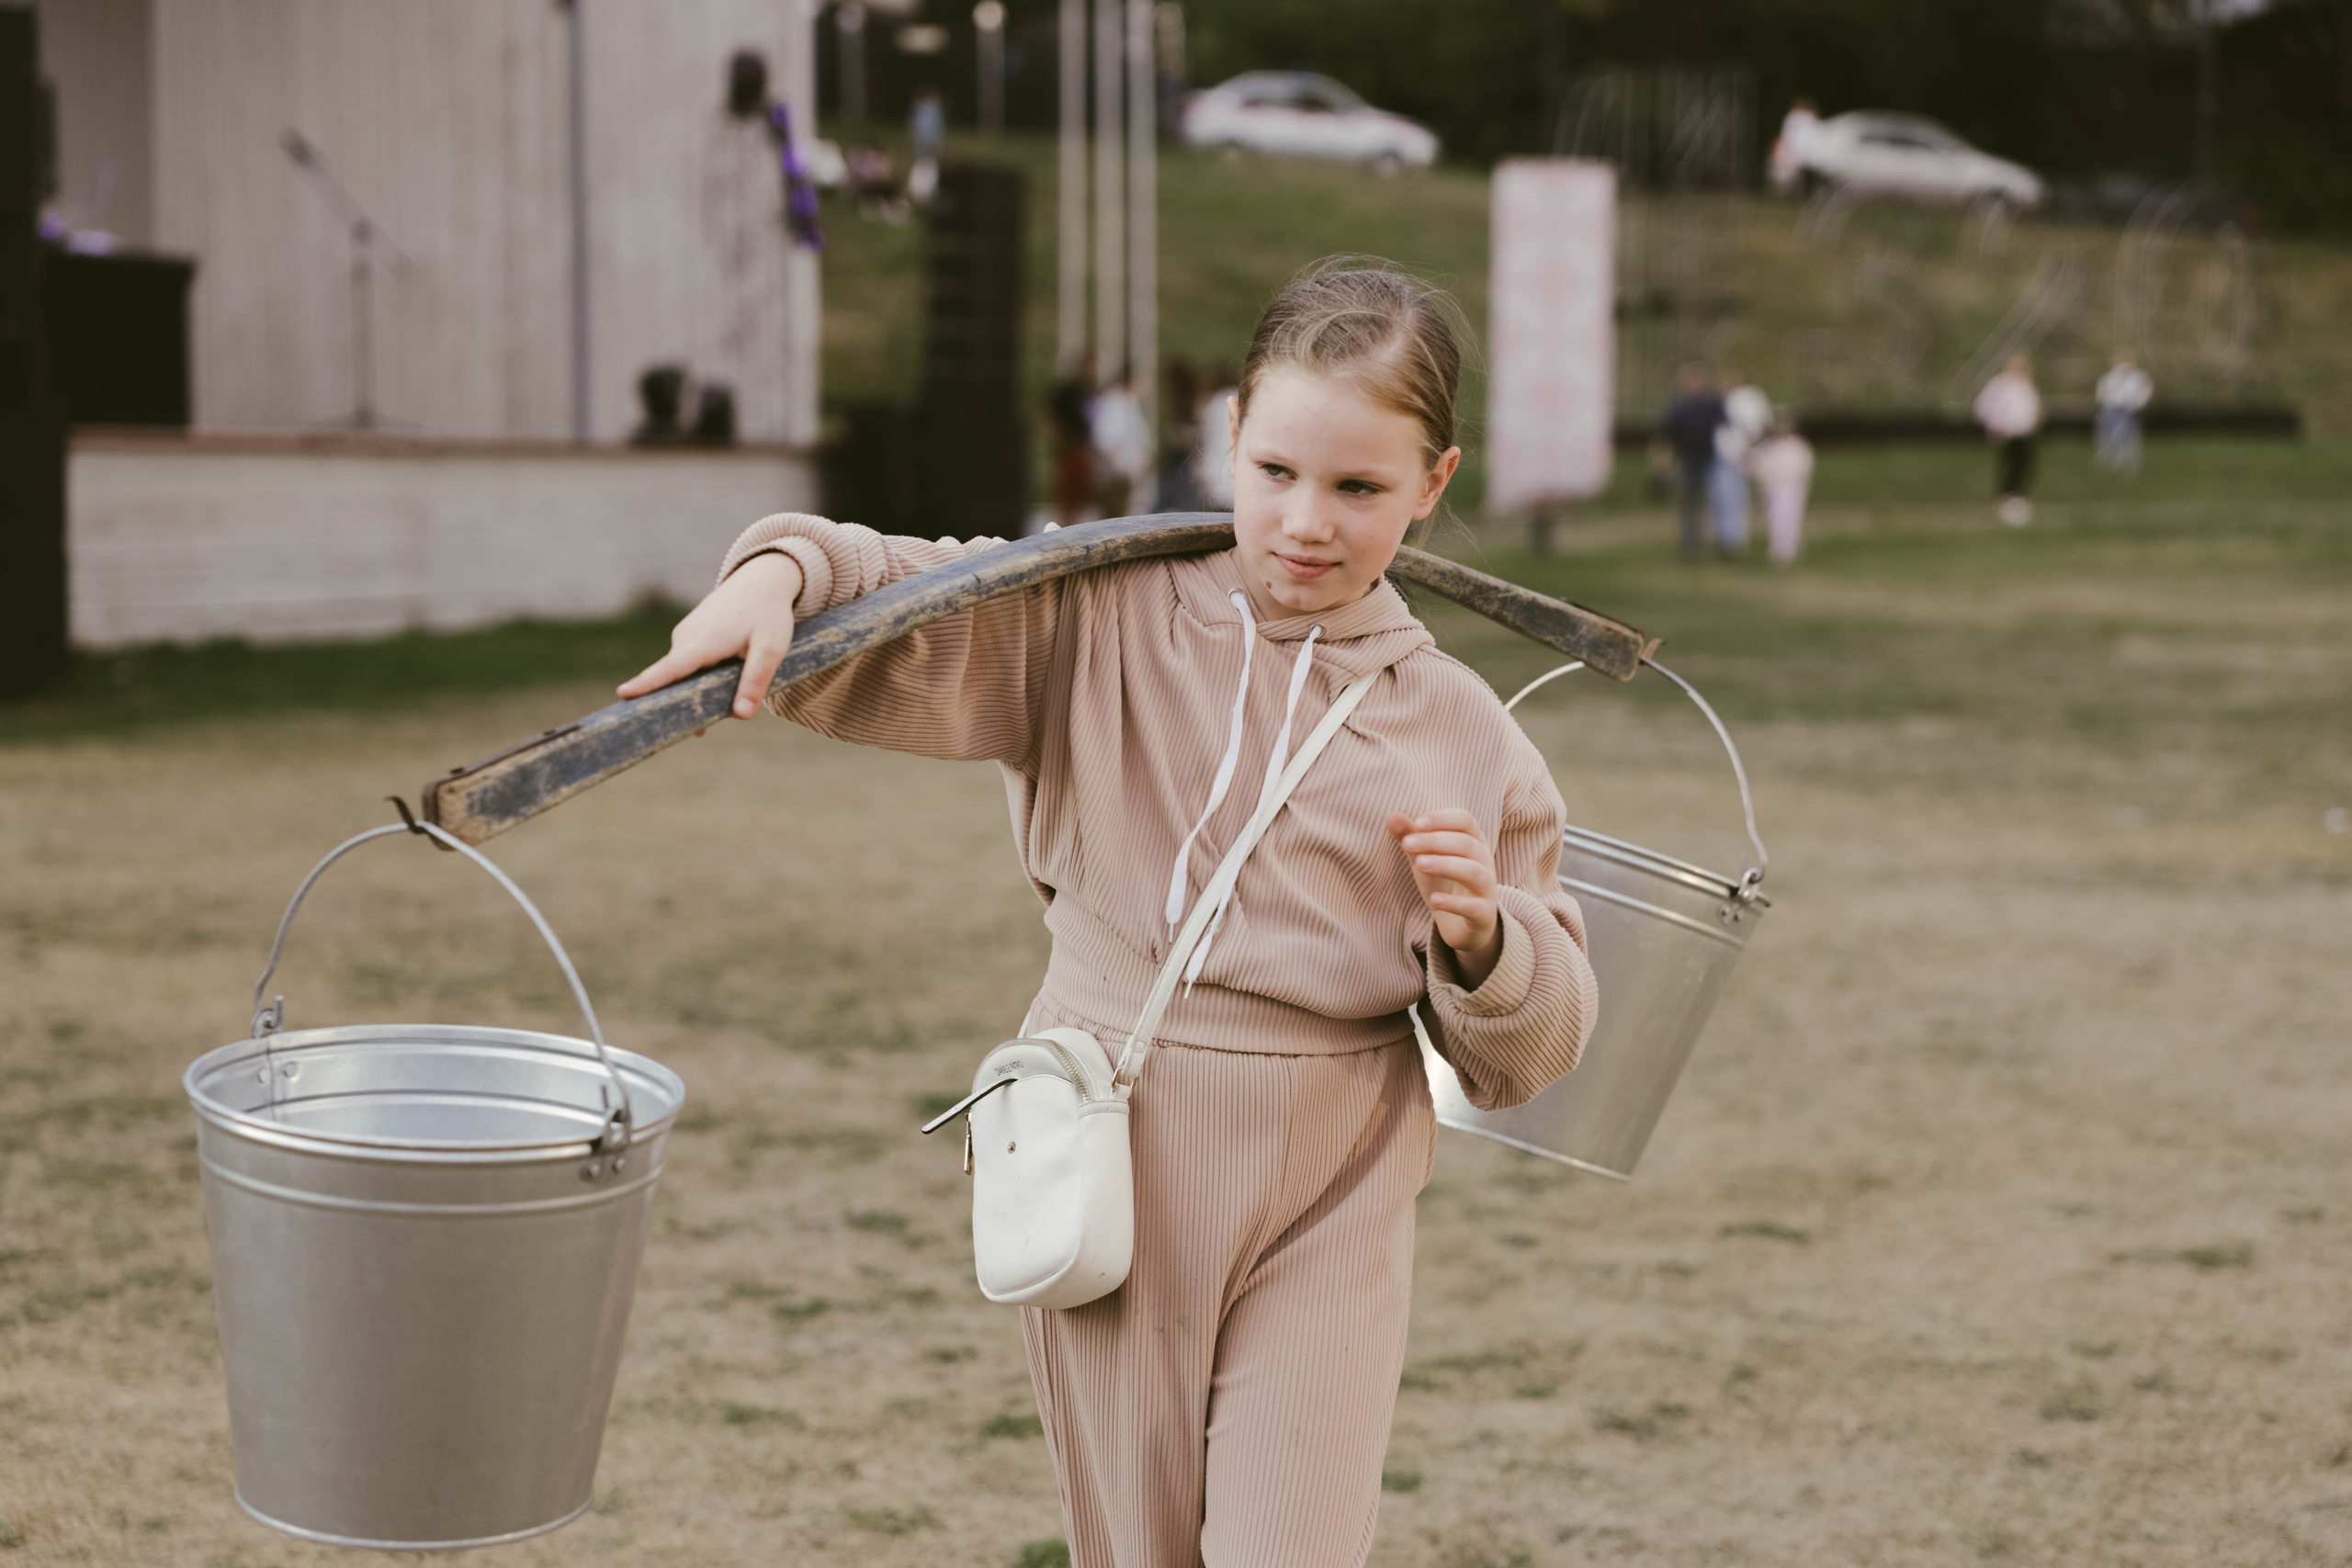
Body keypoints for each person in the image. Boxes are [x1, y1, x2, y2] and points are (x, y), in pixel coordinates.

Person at [617, 262, 1597, 1568]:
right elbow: (910, 580)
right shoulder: (1107, 611)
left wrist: (1487, 941)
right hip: (1109, 1136)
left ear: (1433, 483)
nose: (1306, 520)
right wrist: (781, 571)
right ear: (1228, 441)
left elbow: (1538, 1046)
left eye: (1360, 487)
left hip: (1338, 1176)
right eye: (1275, 471)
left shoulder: (1463, 727)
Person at [1658, 362, 1726, 560]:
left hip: (1711, 460)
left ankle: (1720, 542)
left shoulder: (1713, 404)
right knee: (1689, 505)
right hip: (1688, 461)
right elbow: (1666, 435)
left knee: (1713, 503)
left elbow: (1727, 428)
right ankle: (1690, 546)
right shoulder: (1680, 407)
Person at [1973, 353, 2042, 526]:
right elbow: (1984, 407)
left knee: (2025, 465)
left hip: (2025, 434)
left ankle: (2018, 498)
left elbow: (2031, 408)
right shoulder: (2000, 385)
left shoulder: (2026, 385)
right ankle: (2006, 499)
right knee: (2009, 465)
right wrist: (1996, 427)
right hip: (2006, 433)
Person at [1713, 368, 1771, 554]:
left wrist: (1753, 446)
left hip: (1753, 453)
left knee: (1768, 497)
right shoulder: (1719, 401)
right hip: (1727, 457)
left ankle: (1778, 539)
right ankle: (1732, 539)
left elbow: (1762, 423)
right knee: (1729, 498)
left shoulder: (1751, 397)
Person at [1747, 414, 1815, 566]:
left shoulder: (1799, 446)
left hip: (1793, 488)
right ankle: (1779, 551)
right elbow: (1758, 467)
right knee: (1776, 520)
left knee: (1792, 520)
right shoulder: (1771, 448)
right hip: (1775, 489)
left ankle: (1790, 550)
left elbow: (1805, 466)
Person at [1090, 362, 1155, 517]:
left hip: (1129, 474)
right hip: (1117, 475)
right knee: (1114, 518)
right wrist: (1118, 469)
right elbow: (1105, 439)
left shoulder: (1129, 401)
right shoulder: (1112, 402)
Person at [1046, 353, 1097, 530]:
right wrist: (1065, 440)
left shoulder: (1088, 391)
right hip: (1069, 452)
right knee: (1067, 503)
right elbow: (1050, 418)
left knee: (1079, 500)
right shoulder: (1067, 391)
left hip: (1082, 452)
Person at [2096, 351, 2154, 476]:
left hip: (2129, 412)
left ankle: (2127, 463)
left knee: (2128, 438)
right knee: (2108, 436)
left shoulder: (2139, 378)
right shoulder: (2110, 378)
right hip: (2111, 410)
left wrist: (2137, 405)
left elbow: (2144, 394)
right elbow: (2102, 393)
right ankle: (2109, 461)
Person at [1192, 364, 1239, 509]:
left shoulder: (1212, 404)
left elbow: (1204, 441)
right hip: (1238, 481)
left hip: (1216, 480)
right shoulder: (1242, 398)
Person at [1769, 97, 1823, 193]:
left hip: (1792, 153)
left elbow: (1785, 136)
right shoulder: (1807, 118)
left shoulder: (1791, 117)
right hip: (1806, 154)